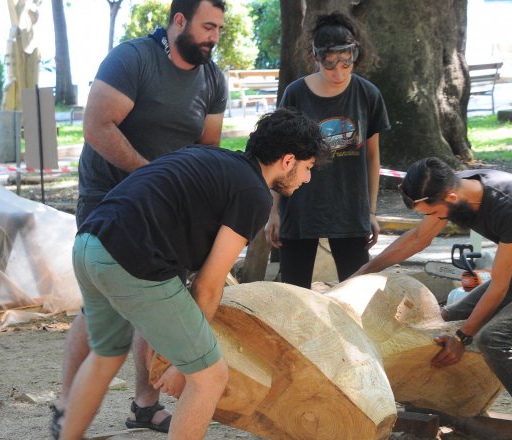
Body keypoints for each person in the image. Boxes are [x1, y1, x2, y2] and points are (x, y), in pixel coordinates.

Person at [60, 108, 330, 440]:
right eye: (308, 168)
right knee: (210, 377)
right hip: (130, 257)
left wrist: (176, 355)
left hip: (90, 243)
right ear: (288, 161)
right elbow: (208, 285)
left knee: (106, 354)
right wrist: (184, 364)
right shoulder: (254, 194)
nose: (308, 179)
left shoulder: (213, 159)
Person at [52, 0, 229, 435]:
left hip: (166, 210)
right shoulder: (131, 59)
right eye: (208, 26)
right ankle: (64, 405)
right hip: (108, 198)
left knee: (157, 294)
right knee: (105, 305)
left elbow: (207, 149)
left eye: (220, 29)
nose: (214, 37)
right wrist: (152, 175)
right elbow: (97, 126)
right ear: (179, 21)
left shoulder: (213, 79)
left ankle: (144, 405)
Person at [352, 157, 512, 440]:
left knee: (491, 339)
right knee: (437, 319)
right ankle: (434, 404)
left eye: (433, 212)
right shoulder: (452, 188)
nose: (433, 219)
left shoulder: (511, 206)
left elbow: (500, 287)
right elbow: (418, 238)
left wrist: (463, 338)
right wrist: (364, 271)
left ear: (452, 197)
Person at [264, 12, 390, 288]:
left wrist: (371, 211)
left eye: (347, 63)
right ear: (315, 57)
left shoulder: (368, 94)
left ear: (356, 54)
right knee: (293, 295)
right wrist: (273, 213)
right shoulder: (296, 93)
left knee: (358, 292)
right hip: (300, 209)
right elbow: (279, 154)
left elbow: (372, 156)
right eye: (330, 64)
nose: (339, 72)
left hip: (350, 209)